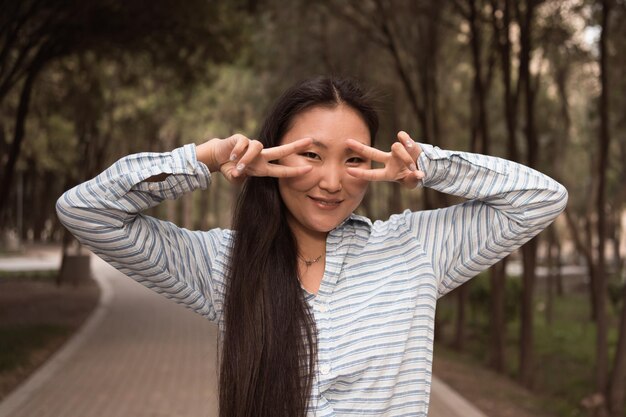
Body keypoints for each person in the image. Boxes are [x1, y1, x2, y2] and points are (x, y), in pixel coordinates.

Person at [56, 76, 568, 417]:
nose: (330, 181)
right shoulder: (223, 264)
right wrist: (208, 157)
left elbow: (541, 199)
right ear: (271, 156)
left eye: (352, 159)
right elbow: (85, 211)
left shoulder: (416, 250)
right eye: (310, 155)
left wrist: (428, 164)